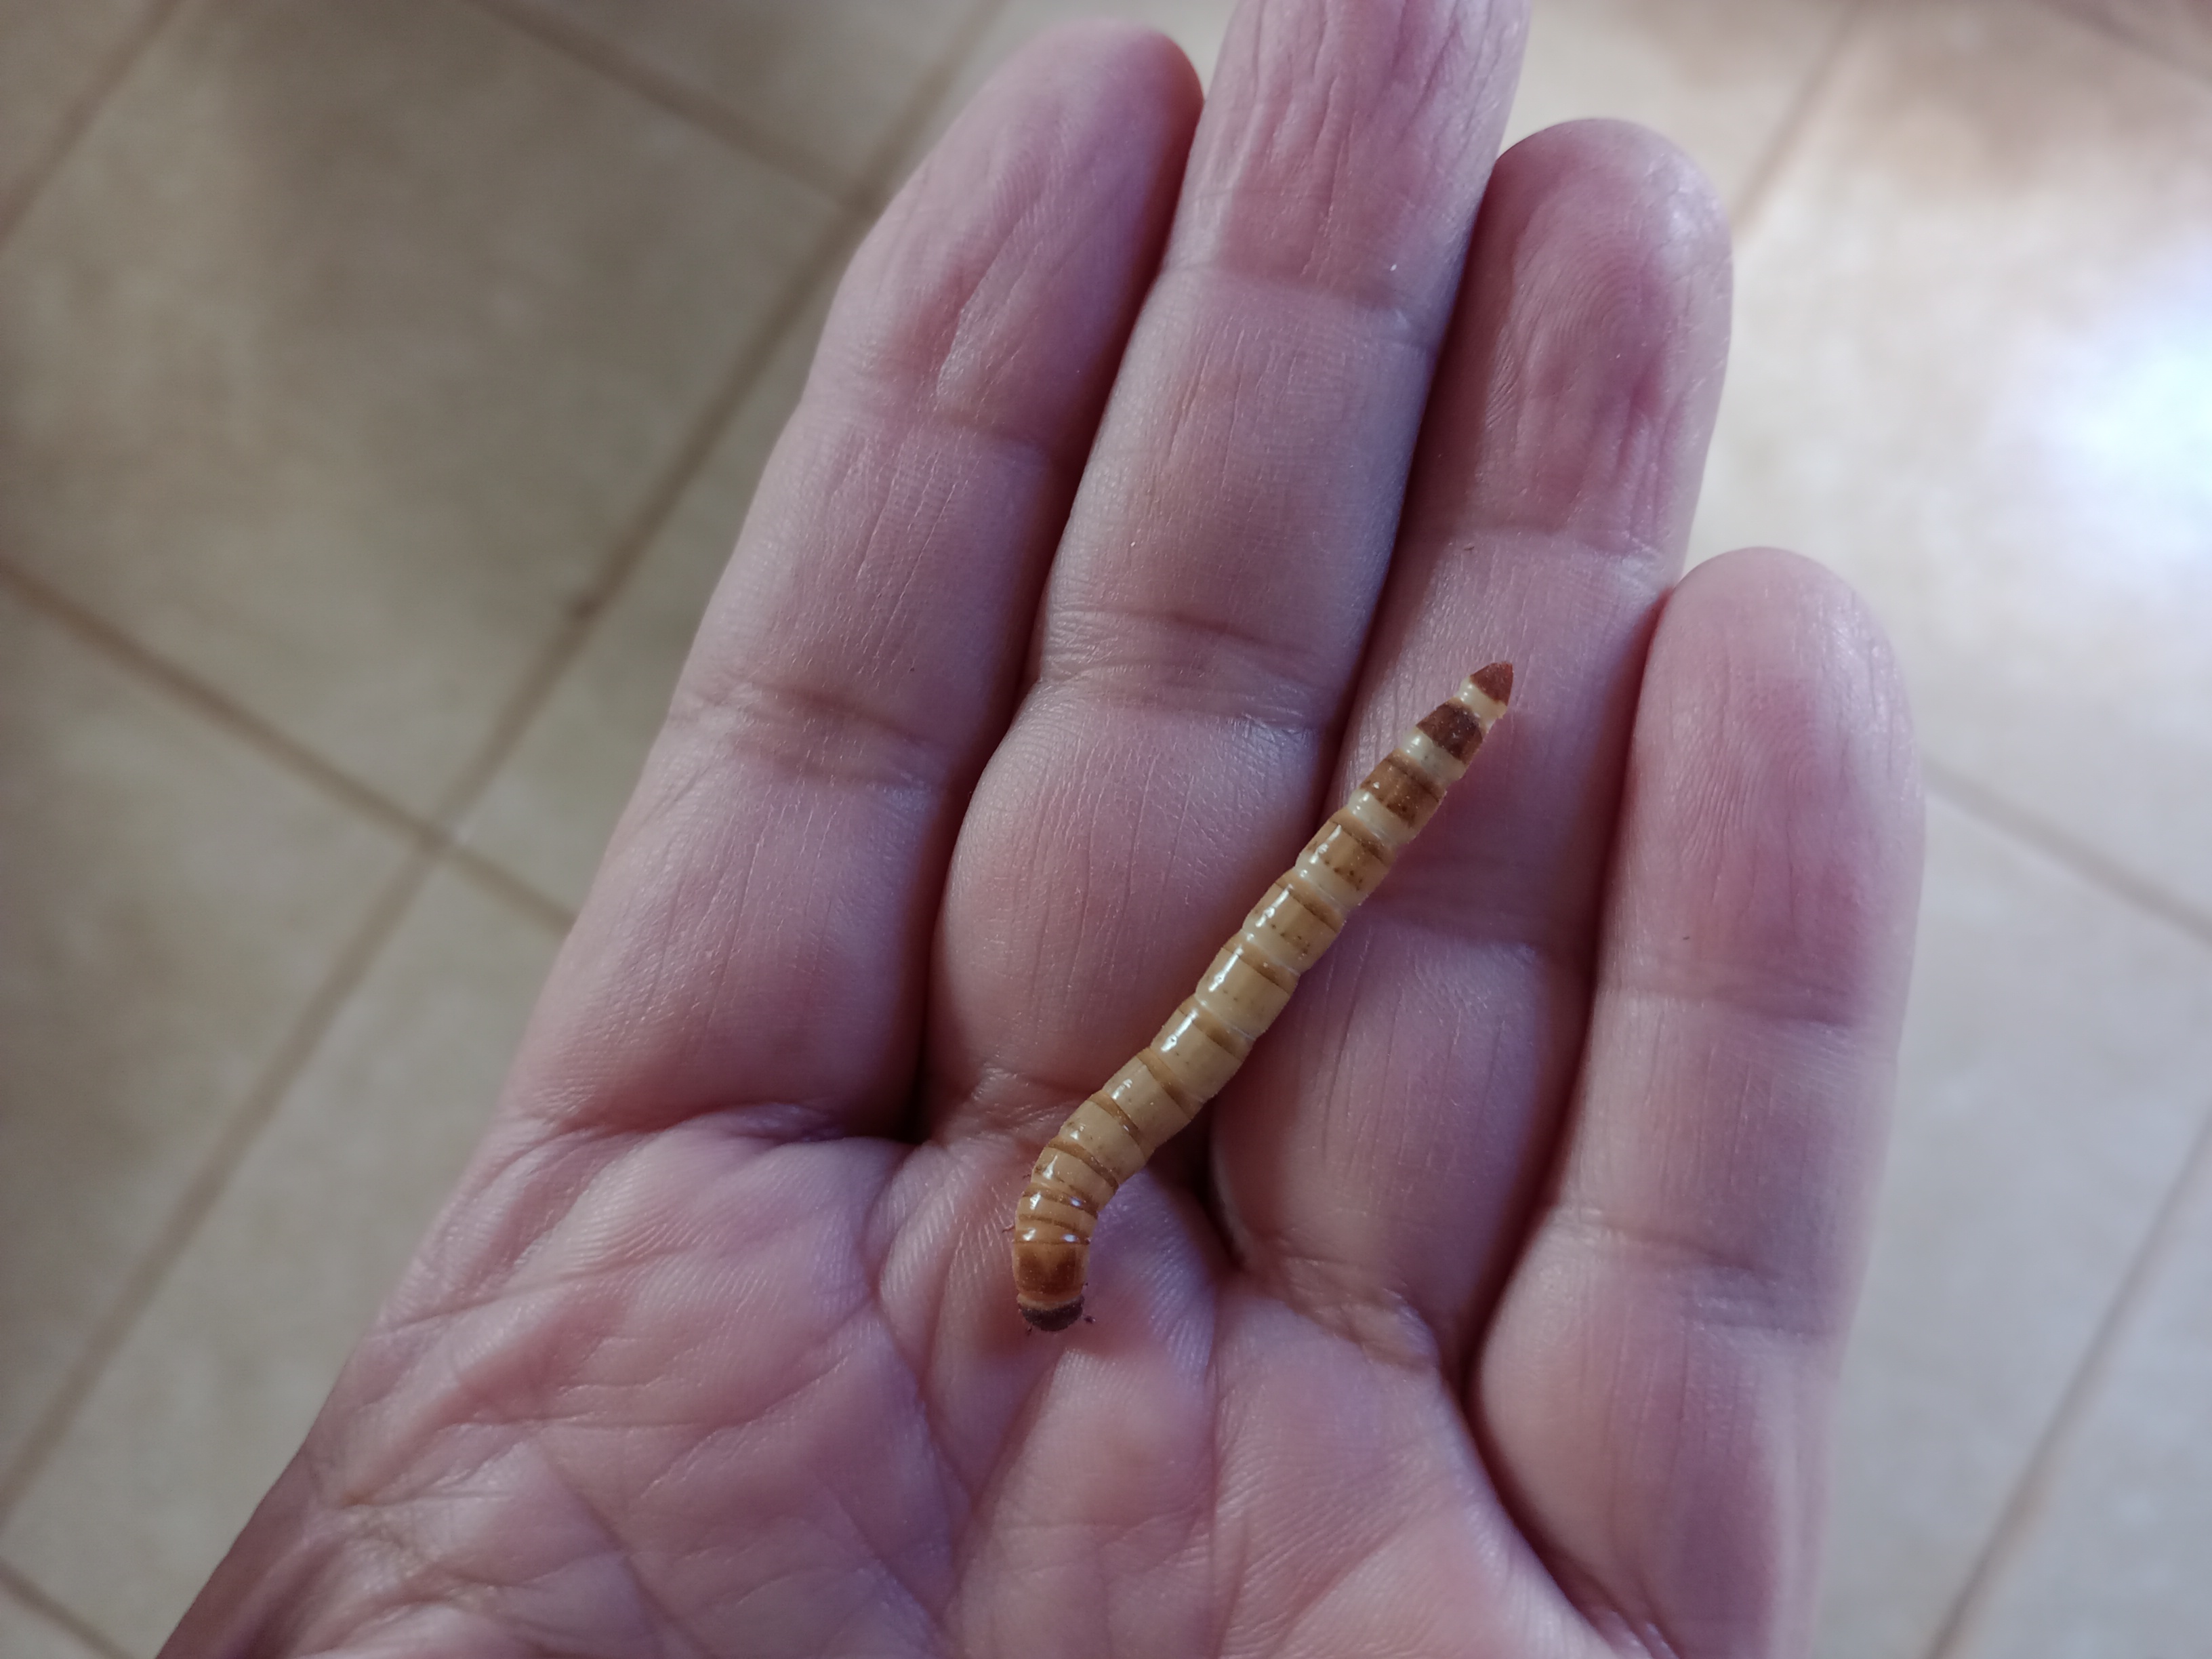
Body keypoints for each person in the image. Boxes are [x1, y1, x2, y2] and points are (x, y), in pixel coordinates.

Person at [163, 4, 1921, 1655]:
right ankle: (1438, 750)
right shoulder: (1046, 1214)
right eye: (1059, 1256)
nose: (1055, 1249)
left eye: (1056, 1255)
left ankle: (1442, 748)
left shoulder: (1058, 1213)